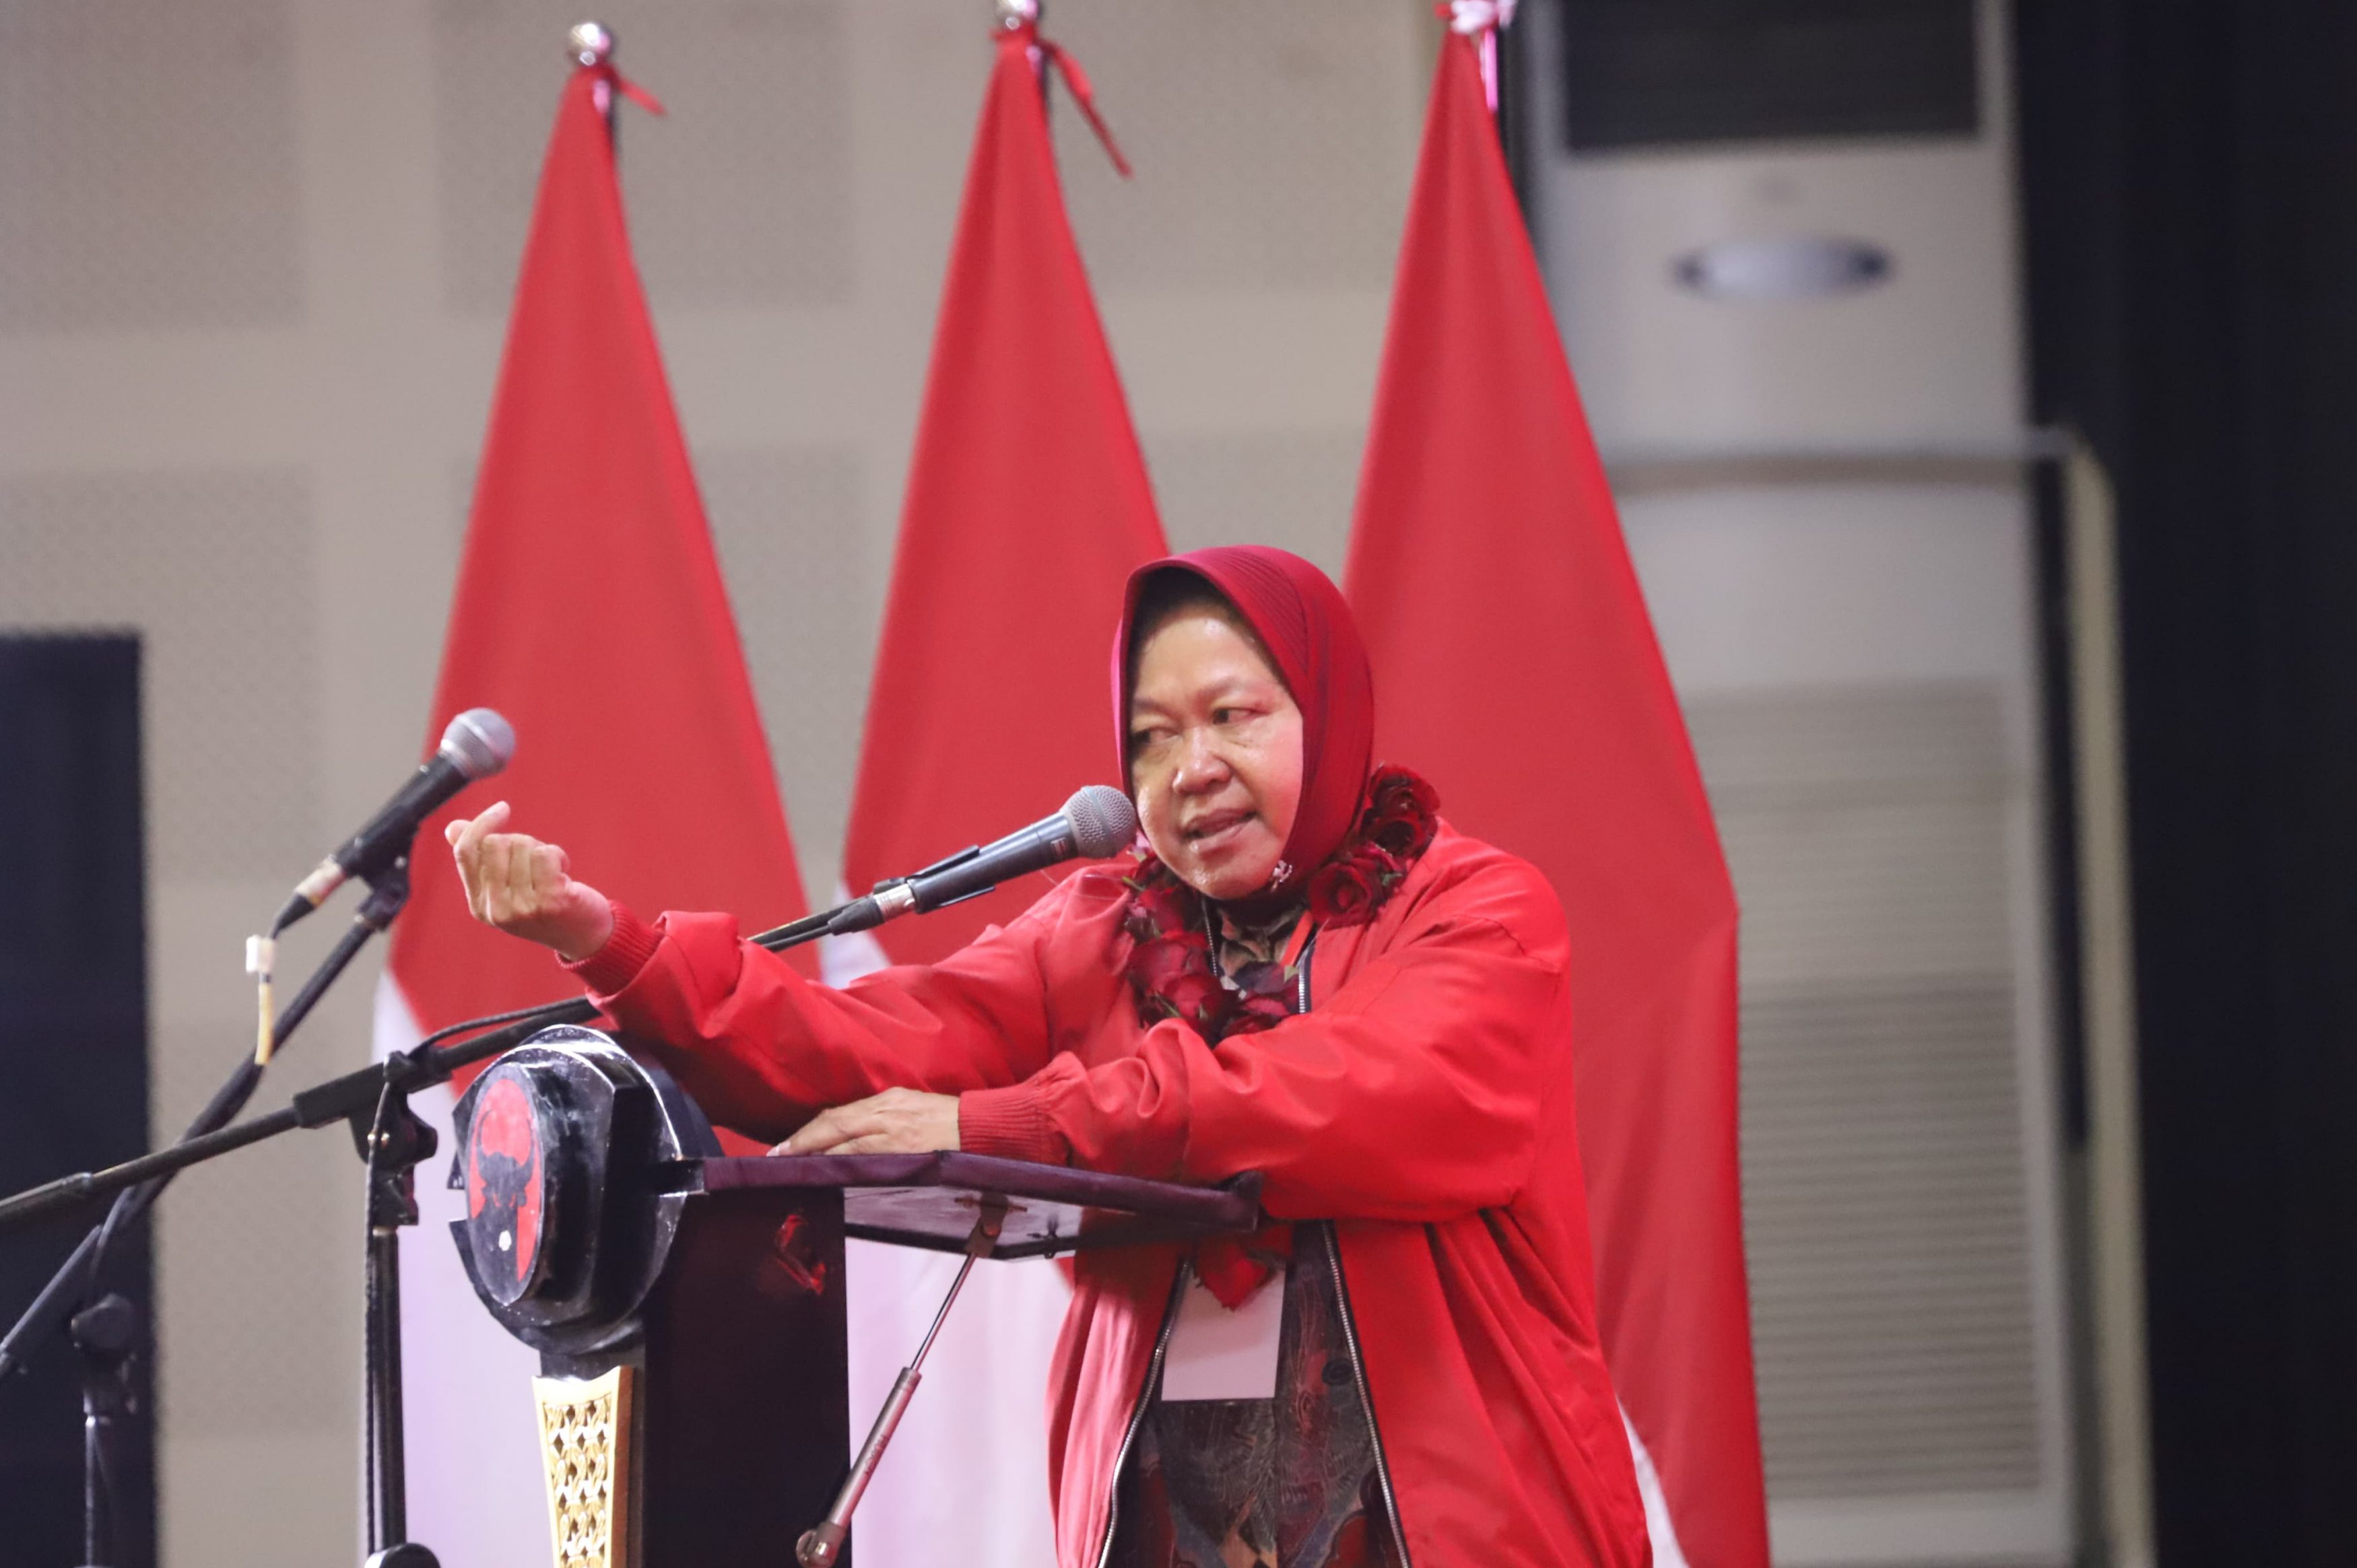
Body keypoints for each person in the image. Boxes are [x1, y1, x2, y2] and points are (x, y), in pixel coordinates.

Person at [446, 545, 1651, 1568]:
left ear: (1328, 711)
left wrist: (1005, 1125)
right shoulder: (1100, 930)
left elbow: (1346, 1096)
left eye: (1234, 716)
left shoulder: (1477, 911)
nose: (1189, 769)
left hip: (1455, 1530)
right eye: (1151, 738)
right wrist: (610, 943)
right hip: (1160, 1526)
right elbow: (871, 1051)